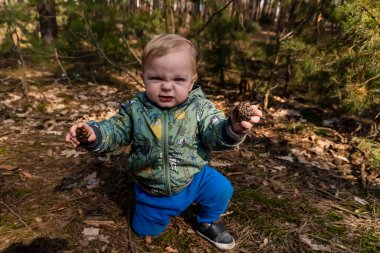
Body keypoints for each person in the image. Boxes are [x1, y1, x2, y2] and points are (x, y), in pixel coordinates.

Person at [65, 34, 262, 250]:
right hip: (154, 189)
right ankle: (157, 211)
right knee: (144, 231)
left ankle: (207, 221)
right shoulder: (135, 110)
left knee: (221, 188)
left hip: (195, 177)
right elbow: (115, 130)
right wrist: (94, 134)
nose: (167, 87)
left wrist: (231, 128)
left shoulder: (200, 108)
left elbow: (213, 131)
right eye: (157, 78)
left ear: (192, 81)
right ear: (143, 77)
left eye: (178, 79)